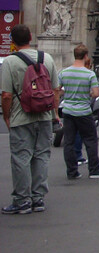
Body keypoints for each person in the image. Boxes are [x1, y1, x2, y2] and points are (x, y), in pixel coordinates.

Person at [1, 25, 60, 214]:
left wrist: (7, 117)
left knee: (21, 158)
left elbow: (6, 95)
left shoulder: (10, 61)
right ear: (31, 37)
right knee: (42, 155)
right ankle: (38, 197)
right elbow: (56, 90)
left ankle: (22, 200)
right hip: (44, 115)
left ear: (13, 41)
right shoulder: (47, 58)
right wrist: (54, 113)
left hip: (21, 116)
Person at [59, 44, 99, 180]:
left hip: (68, 110)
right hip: (83, 111)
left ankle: (72, 171)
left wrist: (68, 92)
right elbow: (95, 93)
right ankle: (94, 169)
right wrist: (85, 93)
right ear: (86, 56)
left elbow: (57, 89)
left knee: (69, 142)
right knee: (90, 140)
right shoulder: (89, 74)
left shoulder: (64, 72)